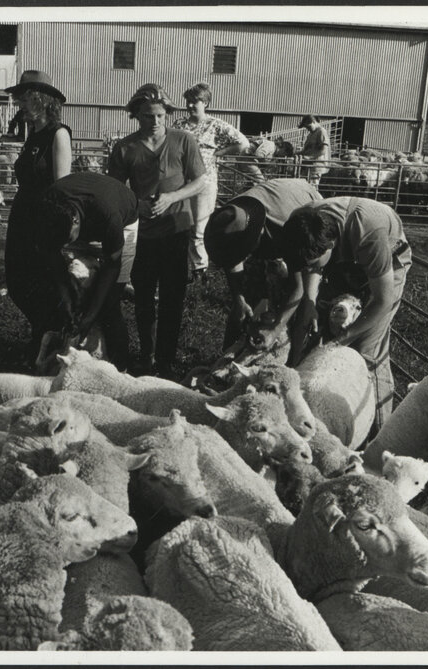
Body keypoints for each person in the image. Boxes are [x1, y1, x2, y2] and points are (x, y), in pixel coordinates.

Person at [278, 196, 412, 432]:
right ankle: (307, 404)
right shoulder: (301, 222)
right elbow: (311, 266)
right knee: (316, 325)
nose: (307, 268)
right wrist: (309, 303)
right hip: (342, 261)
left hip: (386, 263)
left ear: (330, 247)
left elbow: (382, 301)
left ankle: (379, 434)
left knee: (365, 351)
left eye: (311, 263)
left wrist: (342, 339)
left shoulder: (369, 232)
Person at [107, 84, 206, 379]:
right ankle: (146, 357)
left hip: (176, 228)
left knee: (173, 298)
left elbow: (200, 181)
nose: (156, 121)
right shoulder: (125, 148)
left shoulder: (183, 141)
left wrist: (172, 198)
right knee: (143, 299)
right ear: (136, 115)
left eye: (161, 115)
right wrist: (136, 205)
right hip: (143, 234)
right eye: (149, 116)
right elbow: (114, 190)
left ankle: (166, 360)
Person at [34, 171, 140, 371]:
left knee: (110, 303)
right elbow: (52, 251)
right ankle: (57, 363)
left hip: (122, 221)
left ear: (75, 221)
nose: (63, 244)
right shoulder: (47, 207)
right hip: (82, 221)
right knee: (65, 296)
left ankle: (121, 369)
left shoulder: (108, 214)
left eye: (66, 239)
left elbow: (112, 264)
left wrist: (91, 315)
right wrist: (64, 295)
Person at [2, 70, 73, 363]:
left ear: (39, 99)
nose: (19, 104)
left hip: (44, 219)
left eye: (23, 99)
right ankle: (41, 332)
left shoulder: (58, 134)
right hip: (22, 215)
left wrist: (56, 225)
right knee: (18, 281)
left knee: (43, 282)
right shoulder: (32, 135)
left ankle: (48, 341)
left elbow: (62, 185)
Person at [204, 178, 323, 351]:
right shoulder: (230, 217)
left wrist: (276, 329)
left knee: (301, 308)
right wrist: (239, 299)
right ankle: (227, 356)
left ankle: (293, 356)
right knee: (245, 301)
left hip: (305, 210)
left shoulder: (289, 228)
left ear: (257, 232)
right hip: (274, 206)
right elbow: (232, 259)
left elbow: (297, 287)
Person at [171, 82, 249, 285]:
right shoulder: (179, 125)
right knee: (179, 226)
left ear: (205, 103)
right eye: (187, 101)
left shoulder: (216, 125)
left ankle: (199, 271)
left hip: (204, 182)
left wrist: (218, 153)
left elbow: (243, 143)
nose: (189, 105)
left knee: (199, 227)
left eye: (194, 102)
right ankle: (180, 267)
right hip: (181, 183)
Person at [299, 114, 331, 187]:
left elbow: (323, 151)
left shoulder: (321, 131)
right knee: (304, 186)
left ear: (313, 122)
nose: (308, 129)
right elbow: (307, 149)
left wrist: (310, 157)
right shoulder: (311, 134)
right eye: (306, 127)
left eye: (308, 126)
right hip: (308, 165)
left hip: (316, 166)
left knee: (312, 187)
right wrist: (298, 153)